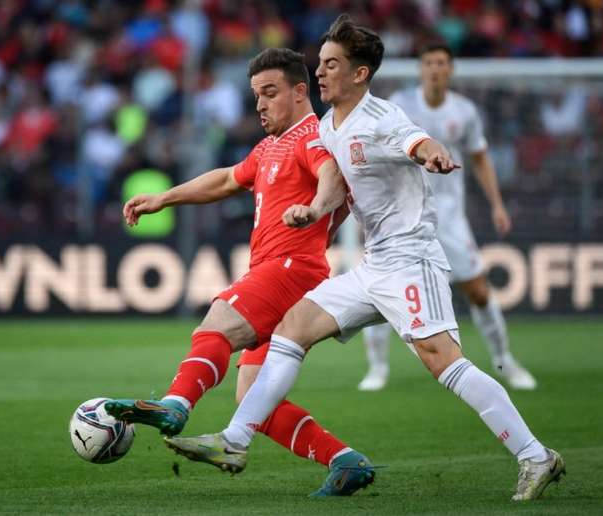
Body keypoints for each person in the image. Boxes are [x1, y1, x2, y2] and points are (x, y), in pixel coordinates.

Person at [166, 15, 565, 502]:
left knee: (444, 363)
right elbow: (334, 183)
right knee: (293, 327)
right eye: (320, 64)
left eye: (332, 65)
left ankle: (534, 454)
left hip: (411, 260)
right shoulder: (330, 126)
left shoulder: (382, 119)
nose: (320, 73)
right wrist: (316, 208)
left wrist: (432, 153)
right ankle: (235, 439)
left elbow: (416, 141)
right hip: (374, 264)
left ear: (359, 74)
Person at [105, 48, 369, 496]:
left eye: (270, 93)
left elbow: (330, 176)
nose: (260, 105)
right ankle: (345, 462)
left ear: (300, 92)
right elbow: (228, 179)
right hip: (280, 270)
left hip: (291, 270)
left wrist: (317, 208)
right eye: (255, 96)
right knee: (252, 396)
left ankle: (175, 405)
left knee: (218, 321)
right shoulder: (270, 145)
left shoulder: (312, 135)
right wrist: (163, 198)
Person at [356, 44, 537, 392]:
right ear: (421, 69)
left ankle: (506, 361)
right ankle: (377, 368)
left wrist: (497, 204)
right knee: (380, 290)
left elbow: (480, 158)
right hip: (402, 215)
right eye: (428, 62)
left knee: (479, 291)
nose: (434, 69)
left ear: (450, 70)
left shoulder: (465, 111)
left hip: (449, 218)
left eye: (440, 63)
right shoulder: (400, 105)